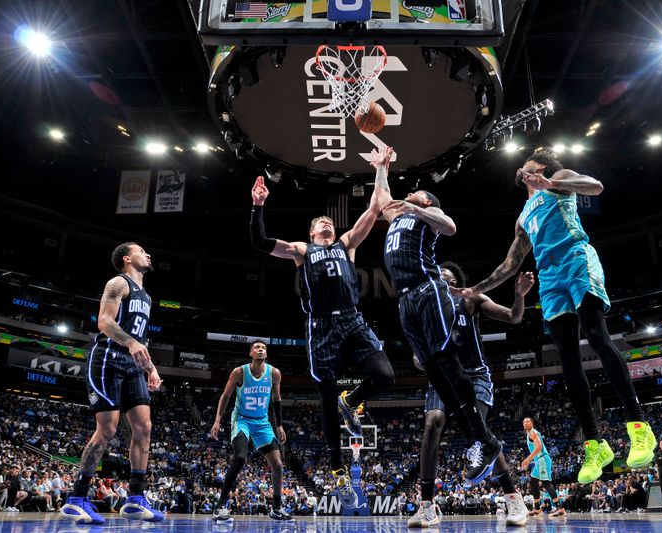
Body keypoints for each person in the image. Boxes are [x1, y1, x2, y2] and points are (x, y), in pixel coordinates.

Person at [457, 150, 656, 484]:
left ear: (542, 168)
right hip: (549, 277)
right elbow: (510, 264)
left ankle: (639, 427)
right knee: (568, 360)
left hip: (575, 258)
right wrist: (476, 287)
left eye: (527, 165)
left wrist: (549, 182)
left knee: (595, 335)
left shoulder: (559, 180)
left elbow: (596, 187)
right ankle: (595, 444)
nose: (521, 168)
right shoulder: (522, 217)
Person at [249, 149, 396, 507]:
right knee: (327, 399)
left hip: (352, 319)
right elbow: (260, 243)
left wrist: (381, 169)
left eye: (329, 222)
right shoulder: (301, 250)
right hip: (321, 327)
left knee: (385, 375)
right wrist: (258, 206)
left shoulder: (347, 245)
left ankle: (354, 401)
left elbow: (376, 208)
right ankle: (337, 470)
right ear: (312, 232)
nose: (327, 224)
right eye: (320, 224)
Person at [372, 147, 502, 487]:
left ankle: (484, 441)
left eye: (416, 194)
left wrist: (416, 205)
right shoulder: (398, 215)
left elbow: (451, 226)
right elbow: (382, 198)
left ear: (427, 201)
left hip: (428, 290)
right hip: (405, 299)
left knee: (446, 363)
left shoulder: (425, 216)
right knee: (432, 370)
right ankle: (484, 440)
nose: (408, 194)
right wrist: (382, 168)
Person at [407, 262, 535, 528]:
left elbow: (513, 317)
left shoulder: (471, 301)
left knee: (481, 432)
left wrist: (519, 295)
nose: (443, 282)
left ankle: (513, 498)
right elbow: (417, 358)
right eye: (438, 278)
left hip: (474, 376)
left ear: (457, 284)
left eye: (448, 279)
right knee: (432, 424)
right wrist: (422, 358)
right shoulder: (425, 311)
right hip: (442, 378)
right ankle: (427, 506)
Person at [61, 242, 164, 524]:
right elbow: (104, 322)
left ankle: (135, 499)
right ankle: (77, 498)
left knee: (144, 427)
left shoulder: (147, 296)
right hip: (108, 358)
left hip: (133, 364)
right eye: (143, 250)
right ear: (128, 258)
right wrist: (131, 344)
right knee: (107, 429)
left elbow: (140, 340)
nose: (149, 254)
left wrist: (151, 368)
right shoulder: (118, 282)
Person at [210, 340, 292, 521]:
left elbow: (277, 400)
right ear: (250, 353)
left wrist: (279, 425)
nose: (260, 349)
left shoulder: (274, 373)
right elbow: (225, 396)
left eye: (263, 348)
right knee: (240, 457)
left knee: (277, 465)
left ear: (266, 354)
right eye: (257, 347)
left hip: (262, 422)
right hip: (242, 420)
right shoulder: (239, 372)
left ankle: (276, 508)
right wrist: (217, 421)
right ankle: (220, 506)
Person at [521, 417, 565, 518]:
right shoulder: (529, 434)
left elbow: (539, 446)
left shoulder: (533, 432)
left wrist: (528, 459)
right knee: (533, 482)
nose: (525, 423)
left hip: (543, 460)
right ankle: (537, 509)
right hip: (538, 461)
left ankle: (560, 509)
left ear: (532, 423)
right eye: (524, 422)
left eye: (527, 421)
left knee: (546, 483)